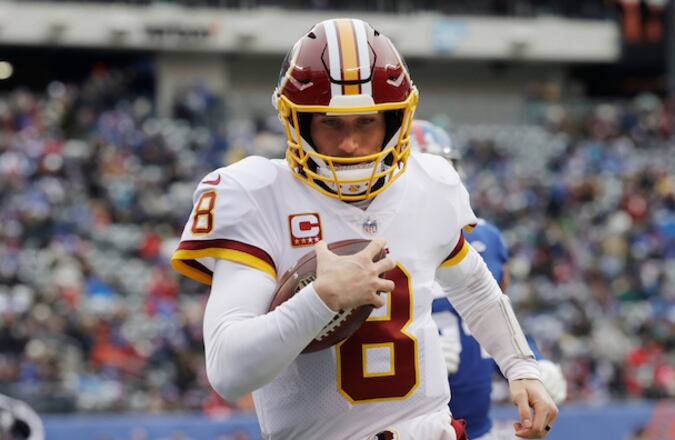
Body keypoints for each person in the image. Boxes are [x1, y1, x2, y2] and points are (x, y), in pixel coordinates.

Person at [171, 18, 558, 440]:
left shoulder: (431, 181)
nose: (350, 144)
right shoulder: (256, 195)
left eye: (366, 123)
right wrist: (321, 299)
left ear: (394, 122)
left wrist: (521, 366)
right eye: (331, 123)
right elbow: (228, 372)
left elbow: (474, 287)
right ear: (298, 123)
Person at [411, 120, 567, 440]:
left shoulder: (484, 236)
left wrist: (531, 363)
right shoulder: (380, 239)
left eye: (443, 167)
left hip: (477, 425)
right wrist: (413, 351)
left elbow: (492, 316)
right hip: (406, 418)